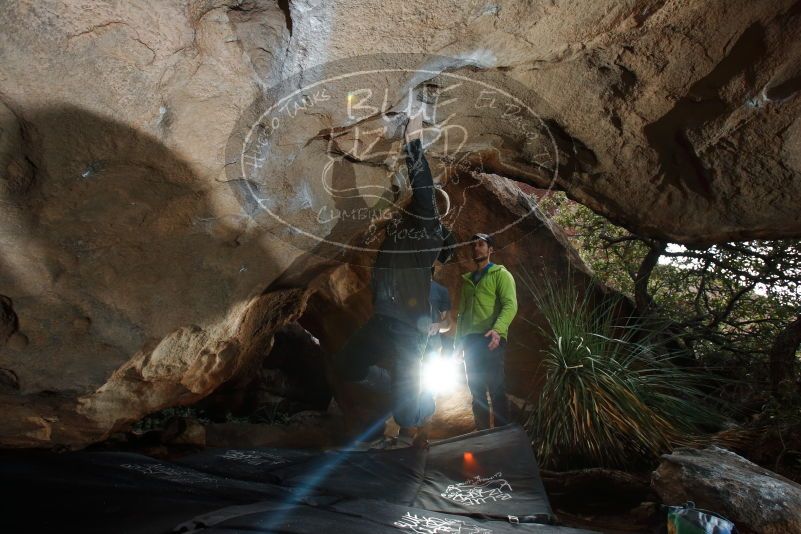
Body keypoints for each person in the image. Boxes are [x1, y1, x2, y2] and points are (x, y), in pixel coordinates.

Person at [333, 106, 455, 447]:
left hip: (406, 330)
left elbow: (423, 188)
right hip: (383, 321)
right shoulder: (403, 233)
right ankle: (400, 385)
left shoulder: (428, 230)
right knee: (346, 366)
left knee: (407, 415)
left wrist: (412, 142)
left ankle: (420, 406)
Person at [455, 233, 518, 430]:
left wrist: (498, 330)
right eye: (473, 246)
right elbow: (462, 315)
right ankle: (482, 433)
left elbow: (510, 305)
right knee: (476, 391)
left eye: (481, 245)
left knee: (496, 389)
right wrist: (457, 345)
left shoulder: (501, 274)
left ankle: (502, 432)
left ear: (490, 249)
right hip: (470, 342)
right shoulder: (467, 281)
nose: (476, 249)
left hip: (491, 338)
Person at [426, 266, 453, 355]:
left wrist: (438, 326)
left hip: (432, 347)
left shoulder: (441, 291)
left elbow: (448, 323)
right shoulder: (405, 288)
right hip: (409, 343)